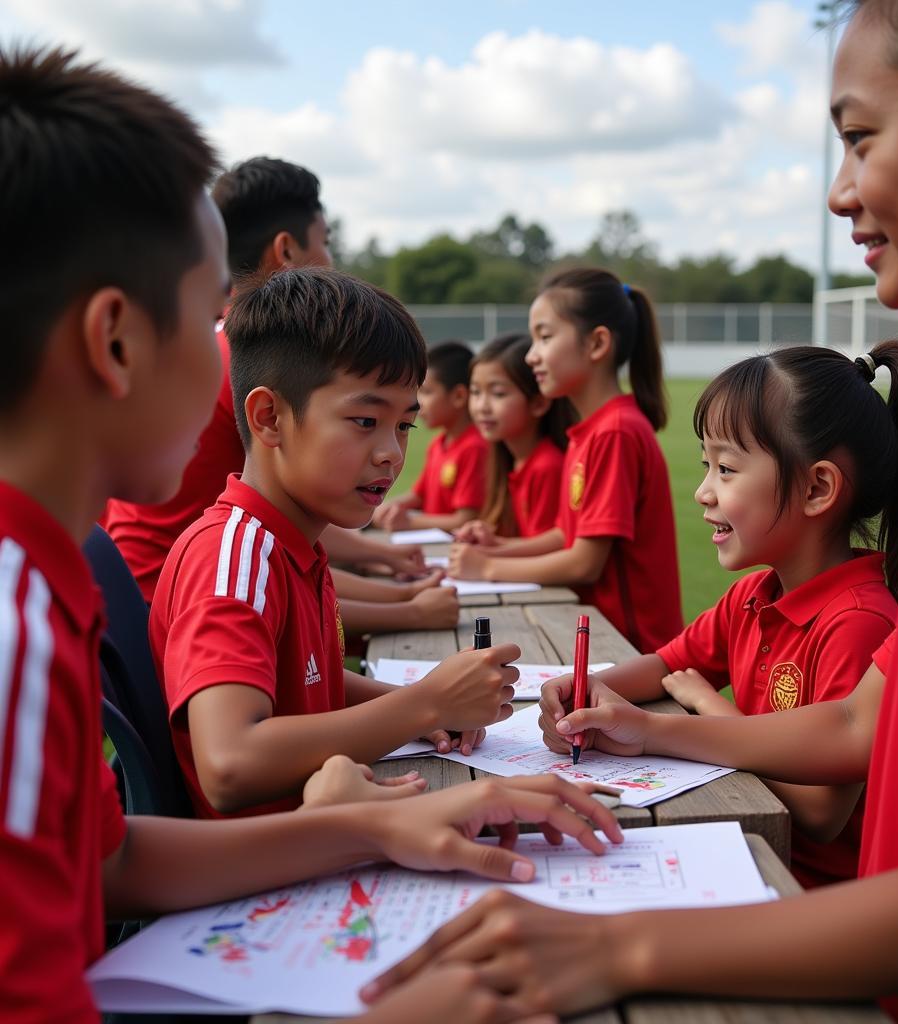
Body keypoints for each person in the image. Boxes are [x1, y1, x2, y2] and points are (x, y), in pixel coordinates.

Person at [365, 2, 898, 1019]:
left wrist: (617, 945)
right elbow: (859, 723)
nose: (840, 190)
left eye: (859, 138)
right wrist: (644, 727)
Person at [0, 47, 622, 1022]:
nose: (223, 370)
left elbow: (112, 860)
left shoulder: (43, 587)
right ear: (115, 342)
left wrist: (390, 824)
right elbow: (225, 768)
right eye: (211, 316)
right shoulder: (15, 629)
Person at [536, 341, 898, 887]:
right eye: (706, 465)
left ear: (817, 488)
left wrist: (706, 709)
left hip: (799, 888)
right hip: (738, 843)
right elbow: (664, 665)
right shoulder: (753, 595)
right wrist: (577, 688)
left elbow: (818, 813)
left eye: (725, 468)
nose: (702, 491)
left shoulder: (859, 623)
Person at [149, 268, 518, 818]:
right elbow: (230, 763)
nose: (391, 452)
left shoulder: (291, 544)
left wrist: (423, 708)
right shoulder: (235, 557)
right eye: (365, 420)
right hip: (270, 884)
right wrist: (423, 703)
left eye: (404, 427)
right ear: (269, 417)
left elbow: (310, 686)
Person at [102, 156, 454, 632]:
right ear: (286, 250)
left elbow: (289, 521)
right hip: (164, 615)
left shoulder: (219, 349)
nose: (333, 262)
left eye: (404, 425)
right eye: (326, 243)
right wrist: (406, 611)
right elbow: (251, 588)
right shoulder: (238, 360)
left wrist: (387, 572)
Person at [447, 269, 682, 652]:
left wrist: (487, 568)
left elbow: (584, 562)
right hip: (604, 640)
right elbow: (566, 535)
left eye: (545, 336)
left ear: (596, 344)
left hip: (630, 649)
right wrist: (495, 548)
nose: (531, 354)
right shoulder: (589, 432)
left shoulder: (615, 432)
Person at [454, 333, 573, 546]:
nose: (482, 407)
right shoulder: (510, 460)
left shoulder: (547, 466)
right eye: (476, 392)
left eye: (498, 394)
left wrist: (489, 556)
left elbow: (546, 552)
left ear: (538, 404)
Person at [373, 340, 489, 533]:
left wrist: (409, 523)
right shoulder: (438, 445)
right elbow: (419, 496)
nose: (418, 403)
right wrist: (385, 508)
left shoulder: (474, 447)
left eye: (426, 391)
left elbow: (466, 519)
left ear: (459, 396)